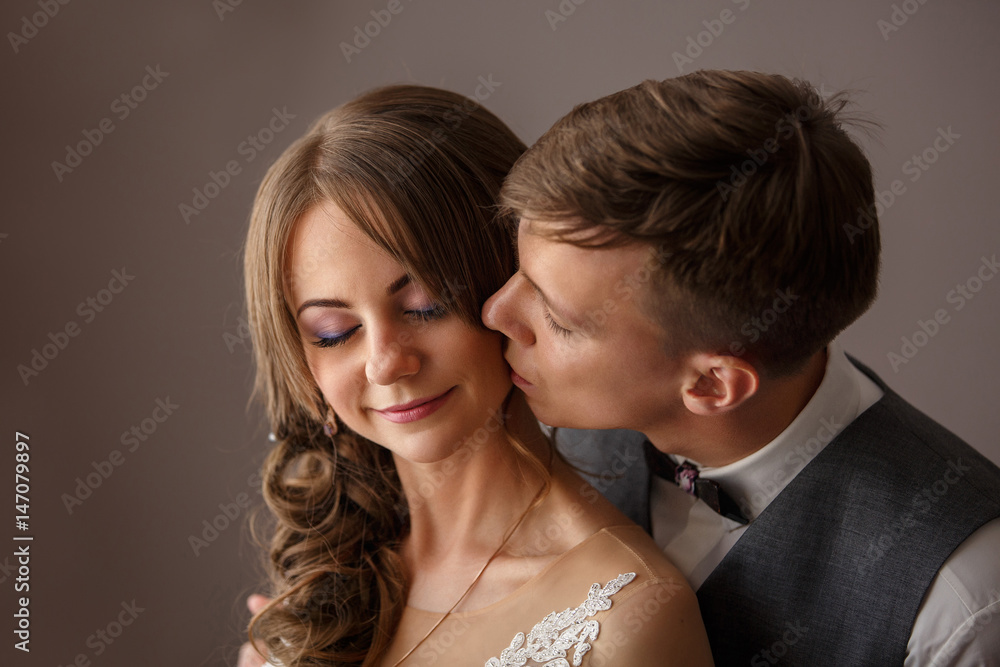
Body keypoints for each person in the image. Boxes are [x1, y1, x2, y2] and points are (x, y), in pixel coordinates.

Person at [481, 70, 1000, 665]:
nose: (495, 312)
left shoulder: (966, 601)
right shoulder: (525, 424)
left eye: (558, 319)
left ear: (711, 383)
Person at [239, 84, 712, 667]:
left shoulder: (626, 612)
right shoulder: (319, 594)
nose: (386, 362)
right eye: (335, 331)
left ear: (513, 285)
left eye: (425, 305)